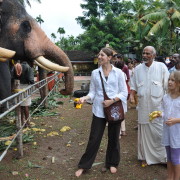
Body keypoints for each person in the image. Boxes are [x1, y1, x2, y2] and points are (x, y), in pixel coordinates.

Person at [75, 47, 128, 177]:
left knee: (114, 138)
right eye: (99, 55)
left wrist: (112, 100)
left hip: (114, 109)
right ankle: (84, 165)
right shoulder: (95, 73)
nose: (99, 57)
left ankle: (112, 163)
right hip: (99, 110)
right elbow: (92, 92)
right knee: (94, 138)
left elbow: (124, 92)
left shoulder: (119, 73)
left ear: (109, 58)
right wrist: (84, 98)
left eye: (102, 55)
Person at [130, 46, 169, 166]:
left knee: (160, 132)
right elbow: (133, 86)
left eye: (148, 53)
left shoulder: (161, 67)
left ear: (154, 55)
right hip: (143, 107)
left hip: (158, 106)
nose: (145, 55)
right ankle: (145, 157)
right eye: (143, 53)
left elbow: (167, 86)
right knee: (144, 132)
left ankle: (162, 158)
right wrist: (131, 96)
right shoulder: (137, 69)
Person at [160, 71, 180, 180]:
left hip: (177, 134)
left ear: (179, 83)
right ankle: (169, 177)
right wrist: (160, 114)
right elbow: (163, 110)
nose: (169, 82)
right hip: (167, 132)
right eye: (169, 79)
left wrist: (176, 120)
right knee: (169, 157)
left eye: (173, 80)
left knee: (176, 159)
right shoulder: (166, 97)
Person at [12, 61, 34, 126]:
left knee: (20, 105)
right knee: (26, 106)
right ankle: (27, 122)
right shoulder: (28, 67)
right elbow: (30, 80)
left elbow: (12, 77)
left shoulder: (15, 66)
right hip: (25, 87)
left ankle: (21, 121)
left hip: (17, 86)